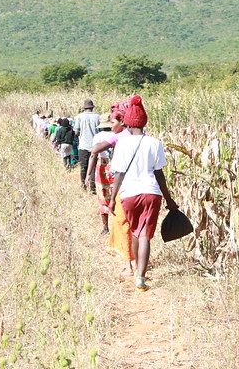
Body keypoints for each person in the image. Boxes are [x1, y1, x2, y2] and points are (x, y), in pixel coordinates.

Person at [108, 95, 178, 291]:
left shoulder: (122, 144)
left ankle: (137, 268)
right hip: (151, 193)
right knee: (145, 234)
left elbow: (119, 174)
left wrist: (113, 199)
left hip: (129, 194)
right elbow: (159, 174)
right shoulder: (155, 143)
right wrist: (169, 199)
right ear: (144, 122)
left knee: (135, 231)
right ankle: (141, 277)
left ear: (128, 123)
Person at [87, 109, 134, 273]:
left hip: (118, 180)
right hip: (139, 186)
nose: (111, 126)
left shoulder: (118, 138)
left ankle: (128, 264)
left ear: (121, 122)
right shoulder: (141, 137)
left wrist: (88, 176)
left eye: (113, 122)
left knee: (121, 220)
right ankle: (139, 266)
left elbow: (94, 152)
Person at [74, 99, 101, 193]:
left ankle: (83, 185)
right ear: (92, 107)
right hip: (95, 146)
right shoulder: (98, 117)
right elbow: (100, 131)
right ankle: (93, 187)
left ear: (84, 108)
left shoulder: (79, 117)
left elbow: (76, 131)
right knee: (93, 166)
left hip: (83, 145)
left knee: (83, 166)